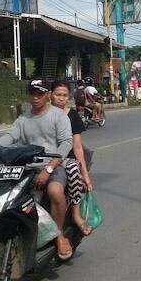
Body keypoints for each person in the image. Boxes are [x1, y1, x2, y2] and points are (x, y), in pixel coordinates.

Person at [0, 78, 74, 259]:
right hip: (26, 166)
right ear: (28, 95)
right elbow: (10, 136)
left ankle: (59, 235)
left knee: (55, 191)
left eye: (40, 93)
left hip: (53, 164)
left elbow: (66, 143)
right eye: (32, 93)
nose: (35, 97)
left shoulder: (58, 116)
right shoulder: (23, 119)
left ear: (47, 95)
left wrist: (49, 169)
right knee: (7, 194)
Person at [50, 80, 94, 236]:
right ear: (50, 95)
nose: (61, 98)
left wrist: (85, 174)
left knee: (73, 170)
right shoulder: (43, 114)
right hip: (44, 159)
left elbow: (77, 146)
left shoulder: (72, 115)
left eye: (64, 95)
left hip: (66, 160)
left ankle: (75, 213)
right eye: (58, 95)